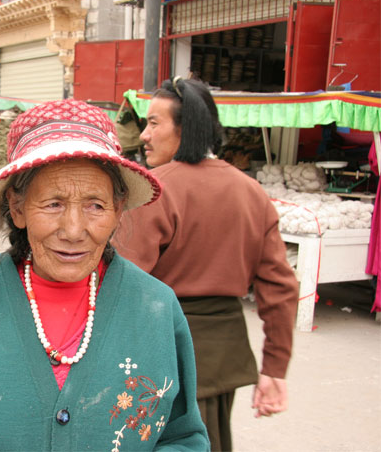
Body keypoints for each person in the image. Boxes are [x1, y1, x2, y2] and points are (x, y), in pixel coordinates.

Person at [0, 100, 209, 450]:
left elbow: (183, 437)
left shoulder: (155, 306)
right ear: (17, 208)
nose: (73, 230)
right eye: (53, 204)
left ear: (117, 211)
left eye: (95, 205)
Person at [112, 77, 298, 451]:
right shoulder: (252, 192)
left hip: (161, 352)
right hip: (223, 355)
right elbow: (281, 287)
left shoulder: (154, 191)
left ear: (187, 128)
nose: (144, 135)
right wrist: (275, 368)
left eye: (154, 123)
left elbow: (119, 282)